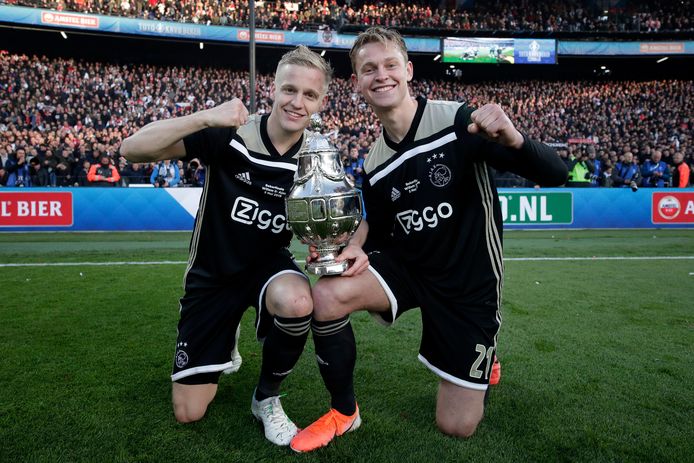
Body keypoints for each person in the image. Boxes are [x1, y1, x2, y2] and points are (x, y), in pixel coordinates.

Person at [290, 27, 568, 453]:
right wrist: (355, 246)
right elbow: (376, 222)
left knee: (456, 426)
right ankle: (344, 412)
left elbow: (556, 173)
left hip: (466, 284)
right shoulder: (375, 160)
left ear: (408, 70)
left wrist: (514, 139)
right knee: (327, 295)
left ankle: (486, 359)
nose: (381, 75)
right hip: (410, 269)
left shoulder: (457, 121)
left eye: (390, 65)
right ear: (357, 83)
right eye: (369, 69)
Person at [119, 45, 332, 446]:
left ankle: (266, 398)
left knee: (298, 301)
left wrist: (322, 242)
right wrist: (205, 117)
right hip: (213, 274)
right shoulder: (232, 134)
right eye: (290, 89)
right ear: (273, 89)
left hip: (267, 267)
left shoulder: (316, 156)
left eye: (309, 95)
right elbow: (131, 149)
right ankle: (226, 328)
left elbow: (322, 217)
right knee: (188, 412)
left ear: (320, 102)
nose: (297, 102)